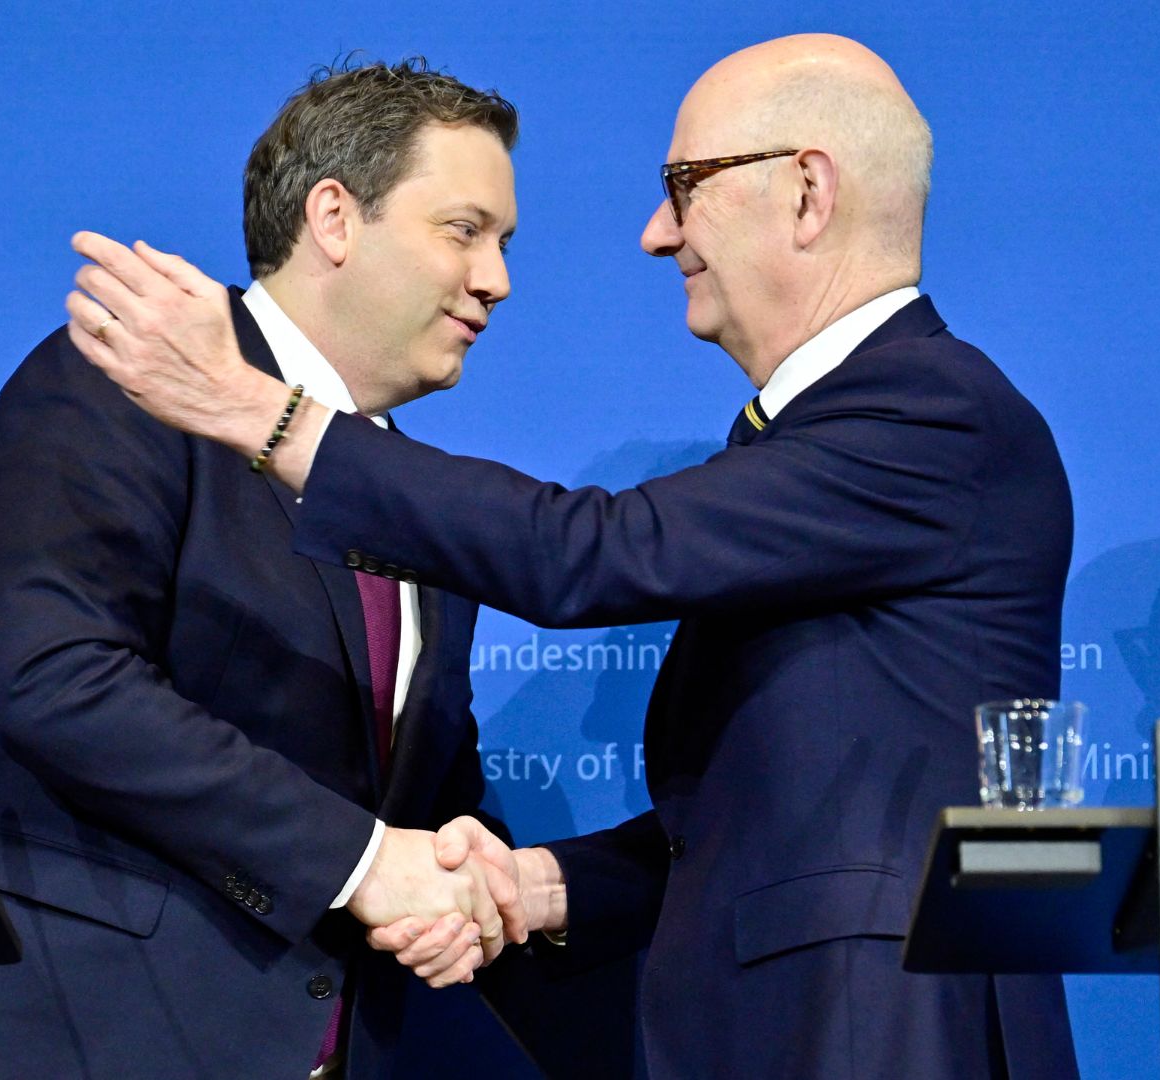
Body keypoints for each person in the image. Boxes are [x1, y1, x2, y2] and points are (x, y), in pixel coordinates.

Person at [66, 31, 1083, 1080]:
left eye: (684, 185)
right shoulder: (833, 439)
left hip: (879, 1035)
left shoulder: (930, 414)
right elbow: (759, 818)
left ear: (807, 194)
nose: (656, 234)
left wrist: (260, 411)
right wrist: (545, 886)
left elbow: (588, 554)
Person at [0, 59, 529, 1080]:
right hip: (43, 1038)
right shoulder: (129, 380)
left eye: (502, 243)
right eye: (464, 230)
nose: (496, 278)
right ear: (334, 217)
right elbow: (57, 678)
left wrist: (467, 870)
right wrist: (367, 866)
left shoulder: (405, 489)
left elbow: (409, 786)